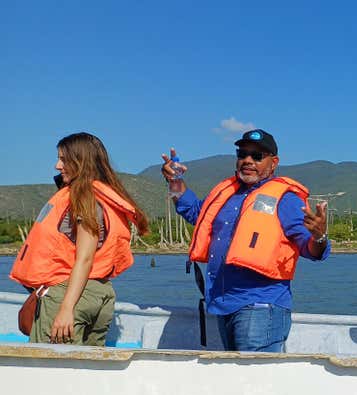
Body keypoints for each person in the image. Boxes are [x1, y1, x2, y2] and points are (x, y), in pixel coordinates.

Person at [160, 128, 329, 352]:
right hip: (223, 305)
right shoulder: (225, 194)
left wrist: (319, 236)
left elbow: (313, 251)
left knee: (253, 374)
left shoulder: (286, 200)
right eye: (242, 154)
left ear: (273, 163)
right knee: (237, 373)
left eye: (257, 156)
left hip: (261, 307)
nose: (248, 160)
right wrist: (174, 181)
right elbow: (193, 212)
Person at [10, 132, 150, 345]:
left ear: (81, 161)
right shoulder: (105, 197)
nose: (57, 166)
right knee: (85, 365)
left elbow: (85, 258)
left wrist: (66, 308)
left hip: (71, 295)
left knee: (50, 364)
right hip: (101, 294)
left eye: (63, 160)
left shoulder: (85, 199)